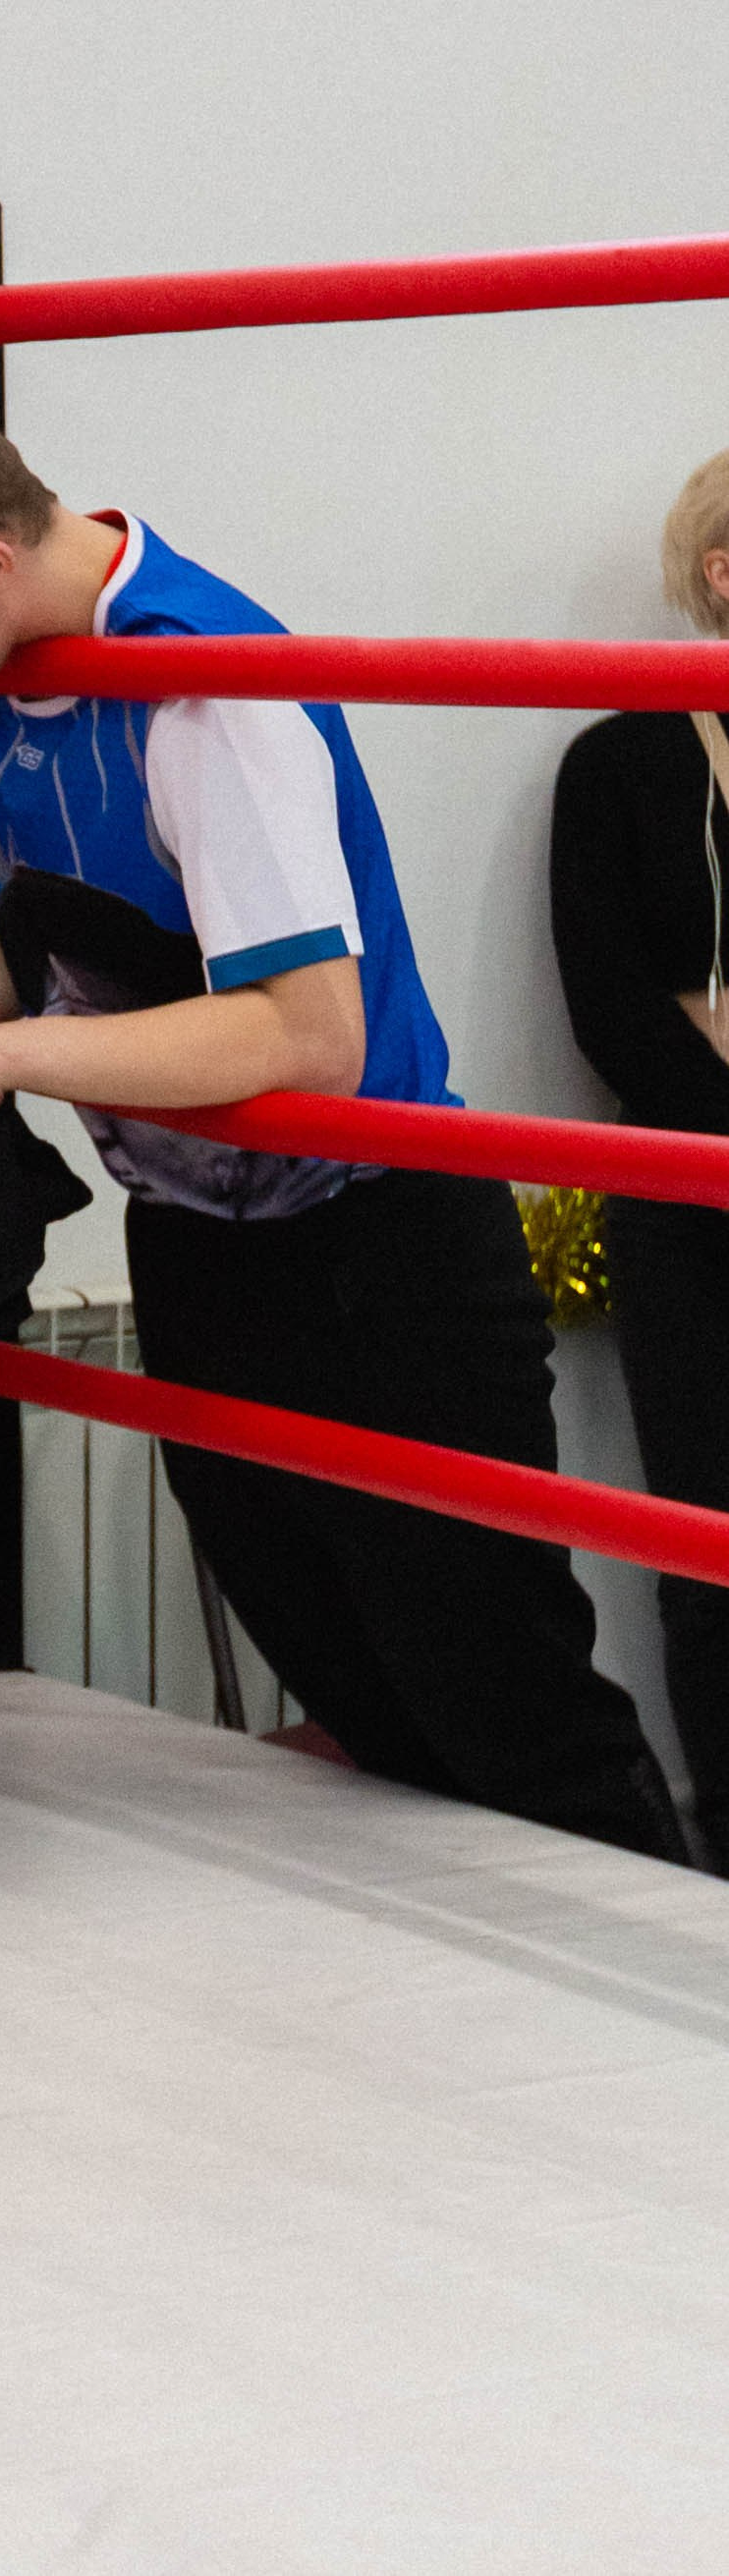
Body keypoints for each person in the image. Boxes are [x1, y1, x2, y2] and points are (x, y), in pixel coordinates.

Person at [0, 374, 687, 1862]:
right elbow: (21, 920)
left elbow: (311, 1034)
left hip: (381, 1245)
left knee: (511, 1707)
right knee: (358, 1695)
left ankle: (680, 2062)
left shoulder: (207, 687)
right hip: (198, 1235)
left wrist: (1, 1065)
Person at [551, 450, 729, 1863]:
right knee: (711, 1538)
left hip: (691, 1161)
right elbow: (616, 1012)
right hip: (688, 1202)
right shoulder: (619, 764)